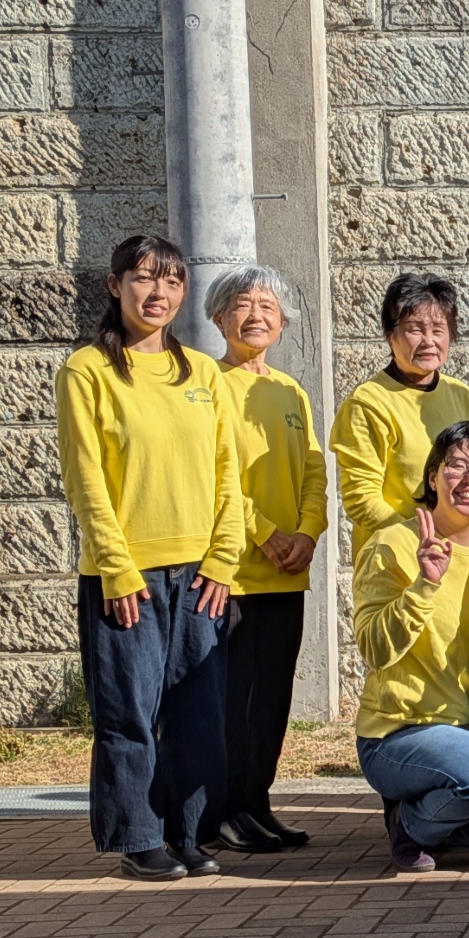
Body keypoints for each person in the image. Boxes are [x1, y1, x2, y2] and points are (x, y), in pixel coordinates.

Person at [57, 236, 241, 881]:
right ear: (115, 286)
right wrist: (116, 565)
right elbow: (85, 478)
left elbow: (228, 473)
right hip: (126, 577)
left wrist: (223, 559)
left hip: (201, 577)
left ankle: (188, 833)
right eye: (142, 278)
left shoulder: (204, 374)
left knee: (198, 716)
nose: (157, 293)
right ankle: (137, 837)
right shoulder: (87, 370)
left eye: (171, 281)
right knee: (129, 714)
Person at [354, 422, 469, 871]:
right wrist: (424, 585)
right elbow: (374, 648)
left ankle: (445, 816)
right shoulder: (393, 544)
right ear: (432, 477)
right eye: (457, 466)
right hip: (400, 733)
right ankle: (410, 823)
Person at [209, 266, 328, 855]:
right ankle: (225, 809)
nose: (255, 315)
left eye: (267, 307)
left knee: (273, 697)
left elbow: (313, 471)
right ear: (218, 317)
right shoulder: (206, 383)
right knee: (234, 700)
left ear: (283, 323)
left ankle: (257, 803)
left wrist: (307, 533)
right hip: (231, 573)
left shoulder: (290, 391)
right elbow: (214, 474)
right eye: (241, 303)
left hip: (287, 572)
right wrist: (264, 533)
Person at [331, 273, 469, 563]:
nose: (429, 341)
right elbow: (361, 498)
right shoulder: (368, 403)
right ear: (391, 335)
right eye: (415, 329)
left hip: (458, 554)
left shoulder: (464, 397)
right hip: (393, 558)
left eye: (438, 329)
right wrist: (419, 539)